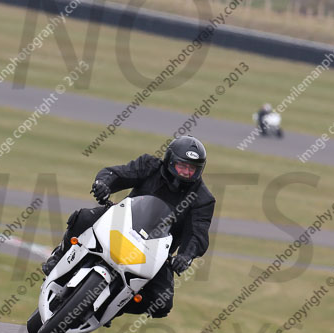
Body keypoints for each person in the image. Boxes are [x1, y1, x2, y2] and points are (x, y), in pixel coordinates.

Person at [41, 136, 215, 319]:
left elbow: (198, 233)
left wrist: (185, 256)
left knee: (162, 302)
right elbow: (118, 173)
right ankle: (60, 256)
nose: (187, 172)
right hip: (120, 224)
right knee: (84, 217)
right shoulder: (149, 165)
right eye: (183, 166)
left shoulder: (203, 199)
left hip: (154, 253)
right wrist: (103, 185)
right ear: (170, 160)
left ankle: (112, 307)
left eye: (192, 169)